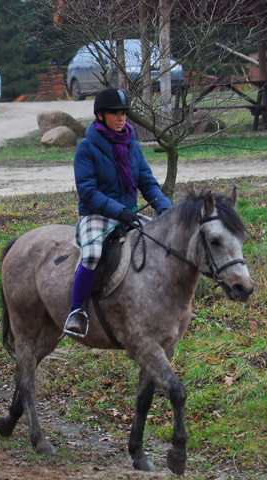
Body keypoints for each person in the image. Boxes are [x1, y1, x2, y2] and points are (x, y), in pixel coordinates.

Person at [64, 87, 173, 337]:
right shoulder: (87, 149)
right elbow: (88, 192)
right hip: (96, 215)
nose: (121, 118)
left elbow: (146, 181)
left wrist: (162, 205)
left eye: (123, 113)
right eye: (115, 113)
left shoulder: (132, 145)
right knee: (92, 255)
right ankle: (76, 311)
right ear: (101, 116)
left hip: (128, 214)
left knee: (162, 244)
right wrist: (119, 210)